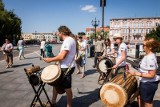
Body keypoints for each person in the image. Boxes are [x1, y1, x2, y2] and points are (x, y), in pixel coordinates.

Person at [44, 25, 76, 107]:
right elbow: (63, 55)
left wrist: (50, 60)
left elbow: (62, 56)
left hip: (66, 67)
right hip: (65, 66)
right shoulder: (70, 40)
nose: (58, 34)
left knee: (67, 88)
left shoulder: (68, 40)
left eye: (58, 33)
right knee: (55, 84)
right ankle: (53, 101)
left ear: (61, 32)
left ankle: (69, 105)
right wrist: (57, 62)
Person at [127, 37, 160, 107]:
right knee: (139, 97)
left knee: (148, 103)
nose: (142, 46)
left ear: (150, 47)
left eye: (144, 45)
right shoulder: (148, 55)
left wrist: (136, 73)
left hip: (149, 84)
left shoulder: (150, 58)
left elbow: (152, 75)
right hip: (145, 82)